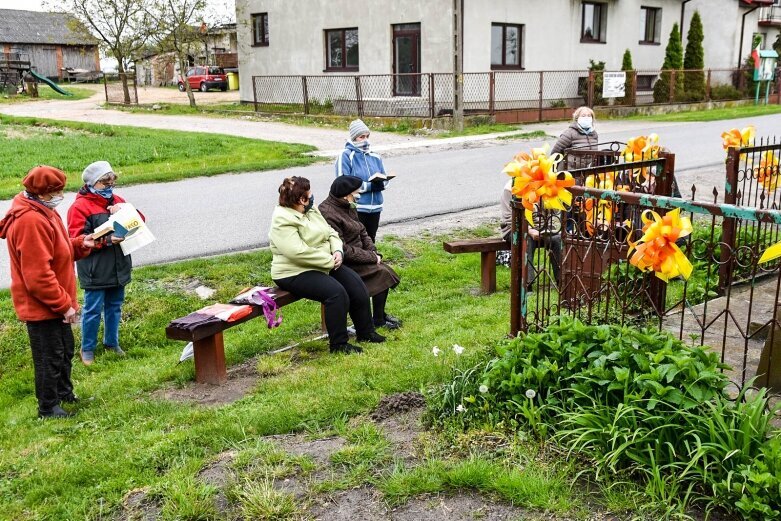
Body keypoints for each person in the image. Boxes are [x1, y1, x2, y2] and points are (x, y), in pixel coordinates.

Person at [0, 166, 95, 418]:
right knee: (49, 357)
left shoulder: (45, 211)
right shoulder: (30, 220)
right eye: (56, 191)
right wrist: (64, 304)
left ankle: (64, 394)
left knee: (64, 350)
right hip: (42, 306)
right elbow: (38, 276)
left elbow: (58, 250)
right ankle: (48, 407)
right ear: (41, 193)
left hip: (57, 300)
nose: (60, 195)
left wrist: (79, 244)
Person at [269, 176, 385, 354]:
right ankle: (338, 345)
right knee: (336, 293)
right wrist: (330, 260)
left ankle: (366, 332)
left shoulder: (311, 209)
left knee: (355, 284)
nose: (313, 196)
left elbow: (331, 232)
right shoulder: (282, 220)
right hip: (293, 272)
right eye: (310, 194)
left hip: (324, 263)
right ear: (302, 199)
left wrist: (338, 251)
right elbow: (297, 252)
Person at [67, 161, 144, 366]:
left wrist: (125, 210)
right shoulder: (79, 207)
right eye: (104, 182)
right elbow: (76, 239)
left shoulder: (117, 200)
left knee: (114, 306)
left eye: (112, 180)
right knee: (92, 309)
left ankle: (112, 343)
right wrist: (107, 241)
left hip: (119, 265)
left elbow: (140, 221)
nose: (110, 185)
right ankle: (88, 349)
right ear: (92, 183)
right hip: (94, 269)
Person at [318, 176, 402, 330]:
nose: (358, 196)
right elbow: (342, 248)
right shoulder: (328, 212)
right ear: (345, 195)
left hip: (360, 254)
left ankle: (379, 315)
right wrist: (370, 257)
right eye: (356, 193)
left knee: (384, 270)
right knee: (382, 273)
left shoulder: (348, 205)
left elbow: (362, 231)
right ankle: (377, 319)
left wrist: (373, 251)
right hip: (345, 261)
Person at [335, 119, 392, 243]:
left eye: (367, 136)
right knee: (356, 242)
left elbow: (385, 180)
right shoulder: (345, 156)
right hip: (356, 208)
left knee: (370, 241)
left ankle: (371, 260)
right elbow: (342, 184)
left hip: (376, 208)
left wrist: (382, 183)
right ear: (354, 138)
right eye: (362, 137)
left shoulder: (375, 156)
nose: (366, 140)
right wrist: (371, 186)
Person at [499, 179, 562, 289]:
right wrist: (529, 230)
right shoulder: (510, 188)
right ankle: (527, 284)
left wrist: (549, 194)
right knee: (527, 241)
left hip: (542, 227)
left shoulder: (543, 185)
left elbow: (555, 211)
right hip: (514, 228)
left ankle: (561, 280)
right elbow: (510, 219)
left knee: (557, 239)